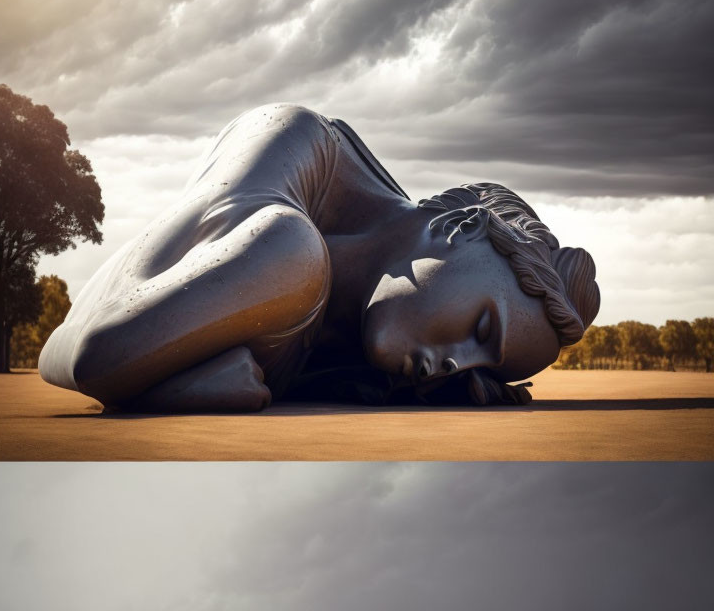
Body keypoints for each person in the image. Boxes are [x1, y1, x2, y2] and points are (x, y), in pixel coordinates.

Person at [39, 104, 599, 412]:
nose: (456, 365)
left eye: (483, 372)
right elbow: (93, 355)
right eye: (481, 329)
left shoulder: (371, 353)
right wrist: (186, 385)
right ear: (458, 227)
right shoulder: (294, 168)